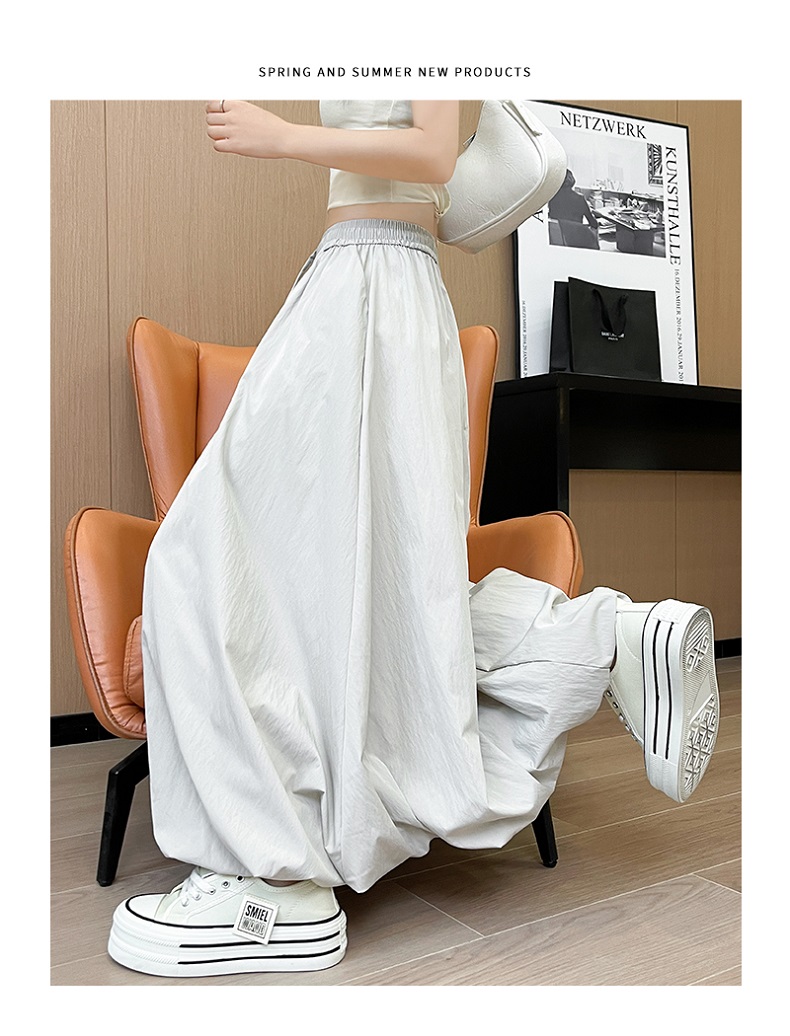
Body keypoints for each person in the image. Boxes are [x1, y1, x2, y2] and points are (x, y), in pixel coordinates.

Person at [106, 100, 720, 979]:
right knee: (379, 589)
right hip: (361, 279)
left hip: (369, 286)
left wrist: (279, 137)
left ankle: (274, 885)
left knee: (199, 559)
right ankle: (612, 635)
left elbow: (432, 151)